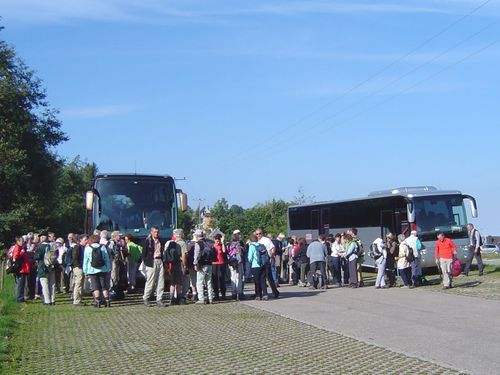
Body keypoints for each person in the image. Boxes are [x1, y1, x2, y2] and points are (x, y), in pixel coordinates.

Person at [83, 235, 112, 308]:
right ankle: (107, 301)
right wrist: (108, 268)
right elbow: (106, 259)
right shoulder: (102, 247)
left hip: (92, 270)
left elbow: (86, 261)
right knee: (104, 286)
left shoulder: (87, 248)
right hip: (103, 269)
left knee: (95, 286)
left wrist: (85, 271)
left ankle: (98, 301)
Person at [142, 226, 166, 307]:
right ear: (151, 232)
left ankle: (159, 299)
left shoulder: (161, 240)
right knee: (151, 281)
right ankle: (146, 297)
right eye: (155, 232)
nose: (156, 233)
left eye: (157, 232)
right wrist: (146, 262)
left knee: (161, 280)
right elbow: (143, 253)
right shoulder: (148, 241)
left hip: (160, 260)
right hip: (152, 261)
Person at [256, 229, 279, 298]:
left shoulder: (266, 240)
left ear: (262, 233)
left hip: (267, 260)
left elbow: (273, 248)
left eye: (260, 233)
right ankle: (261, 293)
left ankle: (275, 292)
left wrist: (271, 257)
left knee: (269, 277)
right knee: (261, 277)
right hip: (259, 261)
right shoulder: (256, 241)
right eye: (257, 234)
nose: (258, 235)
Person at [193, 229, 215, 305]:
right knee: (209, 282)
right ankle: (210, 298)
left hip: (201, 265)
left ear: (197, 236)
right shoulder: (208, 242)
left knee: (199, 282)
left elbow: (196, 255)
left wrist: (195, 264)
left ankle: (201, 299)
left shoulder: (198, 244)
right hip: (209, 264)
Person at [35, 233, 56, 306]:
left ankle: (47, 301)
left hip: (43, 267)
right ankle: (53, 299)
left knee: (44, 284)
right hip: (52, 266)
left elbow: (37, 257)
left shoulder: (40, 246)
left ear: (41, 238)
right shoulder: (52, 245)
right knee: (52, 284)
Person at [248, 234, 268, 300]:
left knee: (257, 281)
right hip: (263, 265)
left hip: (255, 266)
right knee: (263, 280)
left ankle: (258, 295)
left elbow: (249, 258)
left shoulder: (251, 246)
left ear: (250, 240)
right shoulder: (261, 245)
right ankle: (265, 294)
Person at [165, 236, 183, 305]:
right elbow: (179, 257)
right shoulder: (177, 248)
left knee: (172, 283)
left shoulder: (168, 248)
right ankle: (178, 298)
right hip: (177, 266)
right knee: (178, 282)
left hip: (170, 266)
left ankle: (171, 298)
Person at [228, 231, 245, 300]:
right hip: (238, 262)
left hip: (231, 262)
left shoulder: (229, 244)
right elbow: (239, 254)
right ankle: (239, 292)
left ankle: (233, 293)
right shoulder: (238, 244)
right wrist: (239, 261)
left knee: (233, 277)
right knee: (239, 278)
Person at [12, 236, 30, 302]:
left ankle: (20, 297)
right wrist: (22, 253)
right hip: (20, 269)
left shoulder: (21, 247)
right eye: (22, 241)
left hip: (23, 268)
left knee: (21, 284)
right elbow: (15, 256)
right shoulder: (17, 247)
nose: (23, 242)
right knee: (20, 284)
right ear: (18, 241)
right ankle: (19, 298)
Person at [211, 233, 227, 301]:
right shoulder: (212, 246)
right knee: (215, 280)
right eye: (216, 240)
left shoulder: (222, 245)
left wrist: (222, 243)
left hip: (221, 263)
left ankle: (223, 294)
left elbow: (224, 251)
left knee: (221, 279)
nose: (218, 241)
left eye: (219, 240)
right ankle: (216, 295)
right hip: (214, 264)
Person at [72, 234, 87, 306]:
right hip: (78, 268)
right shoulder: (77, 247)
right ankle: (76, 300)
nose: (86, 241)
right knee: (78, 283)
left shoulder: (83, 247)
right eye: (85, 240)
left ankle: (79, 299)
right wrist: (79, 266)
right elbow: (75, 258)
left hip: (82, 267)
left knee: (81, 284)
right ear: (80, 240)